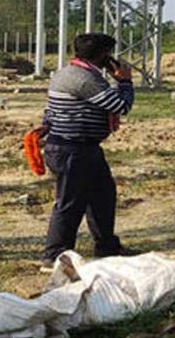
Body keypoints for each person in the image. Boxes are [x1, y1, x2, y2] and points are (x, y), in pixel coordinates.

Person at [41, 33, 135, 268]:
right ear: (104, 55)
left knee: (103, 196)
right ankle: (54, 256)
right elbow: (120, 105)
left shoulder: (69, 72)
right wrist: (124, 81)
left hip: (81, 147)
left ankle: (107, 247)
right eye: (109, 54)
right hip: (73, 148)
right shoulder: (84, 79)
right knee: (70, 203)